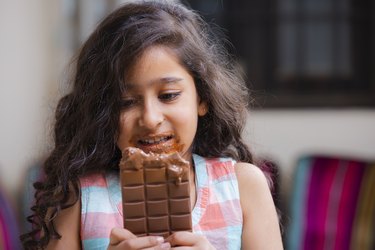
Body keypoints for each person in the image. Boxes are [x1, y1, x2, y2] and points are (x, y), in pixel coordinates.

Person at [21, 1, 283, 249]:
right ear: (102, 112)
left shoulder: (243, 187)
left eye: (168, 96)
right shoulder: (78, 198)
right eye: (125, 102)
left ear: (202, 98)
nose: (149, 118)